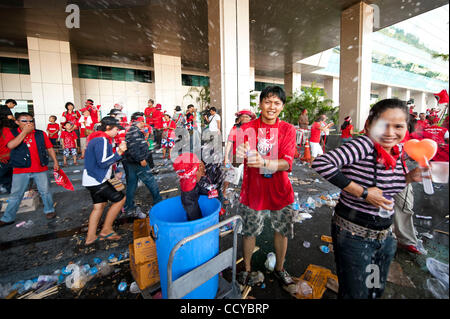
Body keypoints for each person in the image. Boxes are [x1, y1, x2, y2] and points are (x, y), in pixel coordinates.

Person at [312, 98, 425, 299]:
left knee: (374, 290)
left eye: (398, 126)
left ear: (406, 128)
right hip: (354, 237)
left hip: (385, 238)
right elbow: (322, 163)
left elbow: (387, 192)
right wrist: (363, 192)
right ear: (369, 125)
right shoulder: (364, 144)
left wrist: (409, 178)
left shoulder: (396, 152)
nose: (390, 132)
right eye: (383, 124)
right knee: (356, 294)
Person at [235, 86, 297, 292]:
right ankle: (247, 267)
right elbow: (235, 162)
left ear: (282, 106)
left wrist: (265, 162)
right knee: (249, 232)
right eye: (268, 102)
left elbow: (288, 163)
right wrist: (238, 154)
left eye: (277, 103)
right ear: (260, 104)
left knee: (282, 231)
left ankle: (280, 268)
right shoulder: (246, 128)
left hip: (280, 190)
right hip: (254, 191)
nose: (272, 107)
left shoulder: (288, 129)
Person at [0, 112, 59, 227]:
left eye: (31, 121)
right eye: (24, 121)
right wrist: (24, 133)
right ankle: (8, 217)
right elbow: (11, 145)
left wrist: (56, 162)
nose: (28, 123)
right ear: (17, 122)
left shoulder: (40, 134)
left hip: (40, 168)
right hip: (20, 169)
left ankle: (49, 210)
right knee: (16, 194)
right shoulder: (12, 133)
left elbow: (50, 148)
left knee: (45, 191)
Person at [82, 116, 127, 245]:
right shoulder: (102, 140)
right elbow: (102, 163)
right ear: (108, 128)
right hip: (97, 179)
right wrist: (119, 152)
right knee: (120, 199)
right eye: (116, 129)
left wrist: (114, 171)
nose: (117, 132)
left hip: (91, 179)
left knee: (99, 206)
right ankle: (106, 230)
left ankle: (90, 237)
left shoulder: (98, 138)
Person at [123, 112, 162, 217]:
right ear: (137, 121)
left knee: (132, 184)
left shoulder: (132, 131)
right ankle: (158, 201)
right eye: (142, 121)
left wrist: (144, 142)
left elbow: (135, 145)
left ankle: (128, 205)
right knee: (150, 181)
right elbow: (133, 148)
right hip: (137, 162)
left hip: (131, 162)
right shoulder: (134, 131)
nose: (144, 124)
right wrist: (141, 159)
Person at [223, 109, 256, 203]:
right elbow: (229, 143)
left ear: (250, 119)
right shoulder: (235, 129)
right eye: (243, 116)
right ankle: (224, 193)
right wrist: (226, 158)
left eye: (247, 117)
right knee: (230, 177)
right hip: (236, 158)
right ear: (239, 118)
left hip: (250, 157)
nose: (245, 118)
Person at [0, 121, 12, 194]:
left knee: (8, 176)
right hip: (6, 158)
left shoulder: (6, 130)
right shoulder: (7, 130)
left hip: (8, 158)